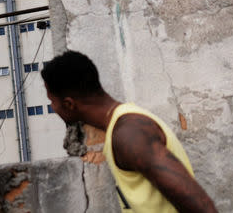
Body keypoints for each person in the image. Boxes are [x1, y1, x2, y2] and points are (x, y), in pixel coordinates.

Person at [41, 51, 218, 213]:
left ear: (69, 104)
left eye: (51, 100)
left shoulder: (129, 134)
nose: (52, 107)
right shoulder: (121, 128)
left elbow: (200, 206)